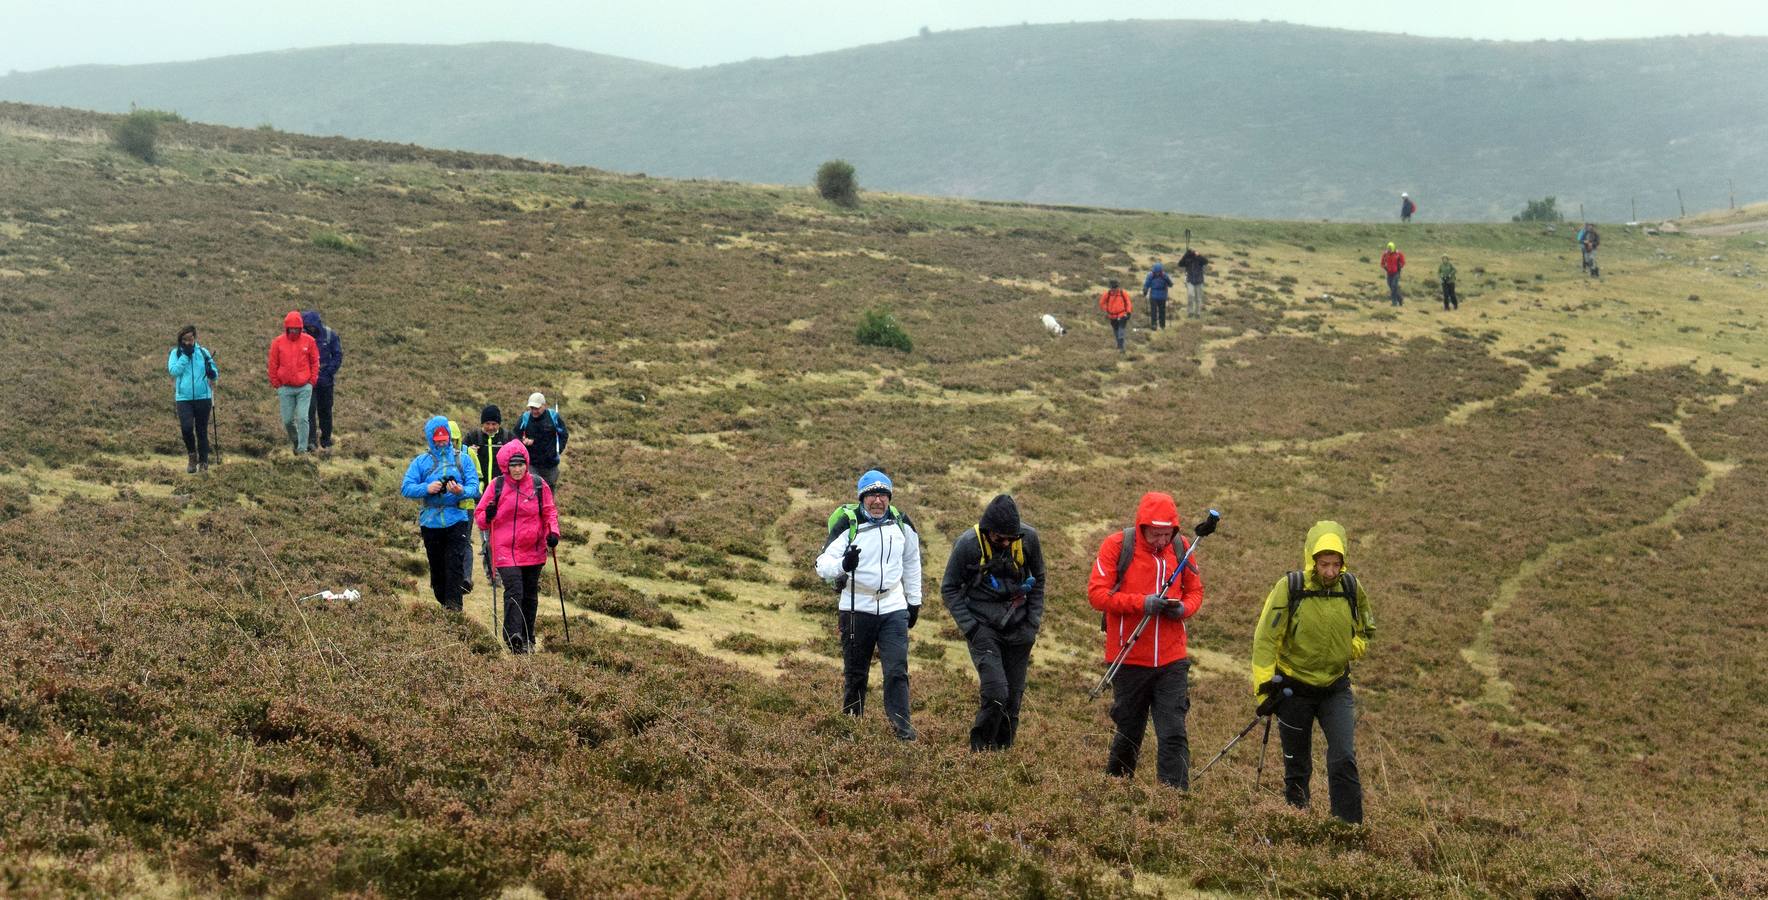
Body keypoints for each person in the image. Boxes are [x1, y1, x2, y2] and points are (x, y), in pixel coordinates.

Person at [1249, 520, 1375, 824]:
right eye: (1323, 564)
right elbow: (1266, 638)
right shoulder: (1291, 587)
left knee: (1344, 757)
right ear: (1312, 560)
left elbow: (1366, 630)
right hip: (1294, 690)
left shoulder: (1351, 588)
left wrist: (1351, 648)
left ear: (1343, 561)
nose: (1330, 571)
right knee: (1297, 766)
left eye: (1335, 564)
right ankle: (1297, 823)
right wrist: (1264, 687)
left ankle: (1348, 828)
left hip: (1335, 689)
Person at [1086, 492, 1205, 788]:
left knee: (1173, 732)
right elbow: (1097, 594)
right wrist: (1142, 603)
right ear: (1142, 527)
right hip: (1128, 659)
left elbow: (1195, 592)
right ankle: (1116, 791)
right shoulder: (1117, 546)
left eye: (1166, 534)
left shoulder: (1182, 548)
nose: (1161, 541)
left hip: (1172, 660)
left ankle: (1173, 800)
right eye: (1155, 534)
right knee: (1129, 731)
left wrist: (1183, 609)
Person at [815, 469, 924, 741]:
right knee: (856, 672)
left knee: (897, 670)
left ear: (889, 498)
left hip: (893, 606)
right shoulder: (847, 524)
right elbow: (821, 565)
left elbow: (912, 562)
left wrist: (914, 602)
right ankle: (850, 729)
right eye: (871, 495)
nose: (877, 501)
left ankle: (903, 732)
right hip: (856, 606)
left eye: (882, 495)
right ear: (862, 498)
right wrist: (843, 564)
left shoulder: (901, 523)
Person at [941, 494, 1046, 752]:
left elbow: (1040, 580)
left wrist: (1032, 624)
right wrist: (972, 628)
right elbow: (949, 588)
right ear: (988, 531)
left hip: (1020, 629)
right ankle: (980, 752)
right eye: (999, 538)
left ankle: (1002, 754)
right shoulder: (967, 544)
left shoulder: (1028, 539)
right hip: (983, 627)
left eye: (1011, 538)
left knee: (1013, 699)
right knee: (997, 693)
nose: (1006, 542)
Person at [476, 440, 560, 653]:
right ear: (505, 466)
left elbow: (549, 511)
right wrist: (489, 515)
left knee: (530, 595)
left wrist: (553, 533)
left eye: (521, 464)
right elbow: (481, 518)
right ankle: (513, 636)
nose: (517, 469)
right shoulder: (497, 486)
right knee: (514, 590)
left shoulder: (539, 485)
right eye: (513, 465)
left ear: (526, 463)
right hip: (505, 549)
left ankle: (527, 637)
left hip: (533, 549)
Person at [400, 415, 481, 612]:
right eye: (438, 440)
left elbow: (475, 487)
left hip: (457, 519)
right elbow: (406, 488)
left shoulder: (463, 459)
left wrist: (460, 491)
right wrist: (427, 488)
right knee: (437, 572)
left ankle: (454, 610)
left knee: (454, 566)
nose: (443, 442)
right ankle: (445, 603)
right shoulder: (421, 462)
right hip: (431, 523)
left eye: (445, 438)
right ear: (430, 439)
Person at [464, 404, 513, 588]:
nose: (491, 427)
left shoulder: (508, 438)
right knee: (486, 538)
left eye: (494, 423)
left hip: (505, 495)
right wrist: (470, 453)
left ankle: (503, 571)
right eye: (487, 423)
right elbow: (460, 457)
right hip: (482, 497)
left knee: (502, 537)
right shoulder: (472, 438)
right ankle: (492, 574)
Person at [167, 324, 219, 474]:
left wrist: (212, 373)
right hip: (184, 398)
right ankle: (192, 456)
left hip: (204, 397)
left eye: (190, 338)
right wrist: (185, 356)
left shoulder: (203, 352)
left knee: (201, 430)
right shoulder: (175, 353)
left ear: (195, 338)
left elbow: (214, 371)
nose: (188, 342)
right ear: (181, 340)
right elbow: (174, 371)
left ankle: (203, 462)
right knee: (186, 428)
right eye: (185, 339)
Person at [266, 310, 319, 455]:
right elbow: (272, 363)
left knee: (303, 418)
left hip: (304, 387)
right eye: (292, 328)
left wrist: (311, 381)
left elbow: (315, 362)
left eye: (297, 328)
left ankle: (302, 450)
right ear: (287, 328)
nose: (294, 330)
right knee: (288, 421)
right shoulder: (277, 342)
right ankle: (296, 441)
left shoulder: (310, 341)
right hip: (285, 388)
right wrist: (276, 382)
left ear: (301, 328)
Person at [300, 310, 343, 452]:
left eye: (312, 326)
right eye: (307, 326)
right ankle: (311, 442)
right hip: (308, 381)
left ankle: (326, 440)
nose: (310, 329)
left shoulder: (330, 335)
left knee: (325, 411)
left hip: (325, 381)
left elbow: (337, 355)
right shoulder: (301, 336)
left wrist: (329, 371)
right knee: (308, 411)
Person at [449, 420, 482, 596]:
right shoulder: (436, 456)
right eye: (449, 439)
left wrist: (476, 494)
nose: (452, 443)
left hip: (466, 506)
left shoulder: (468, 453)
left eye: (455, 440)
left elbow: (478, 478)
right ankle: (451, 576)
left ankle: (466, 579)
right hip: (446, 507)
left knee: (465, 540)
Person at [515, 392, 568, 489]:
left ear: (544, 406)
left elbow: (563, 434)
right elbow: (515, 436)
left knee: (548, 493)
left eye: (537, 408)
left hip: (550, 464)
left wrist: (558, 450)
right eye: (532, 408)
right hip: (531, 463)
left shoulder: (554, 417)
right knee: (533, 490)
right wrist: (523, 443)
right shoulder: (525, 418)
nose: (534, 411)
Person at [1097, 279, 1133, 353]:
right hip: (1112, 316)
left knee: (1121, 330)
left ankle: (1121, 347)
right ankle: (1119, 345)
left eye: (1115, 287)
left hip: (1122, 315)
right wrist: (1107, 309)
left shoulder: (1123, 293)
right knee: (1116, 331)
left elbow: (1128, 302)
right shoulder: (1107, 294)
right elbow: (1101, 303)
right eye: (1113, 287)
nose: (1114, 289)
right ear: (1110, 288)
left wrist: (1128, 312)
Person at [1177, 248, 1210, 318]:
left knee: (1198, 298)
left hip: (1199, 281)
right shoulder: (1188, 259)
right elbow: (1180, 264)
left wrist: (1199, 255)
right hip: (1190, 280)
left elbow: (1206, 262)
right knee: (1190, 295)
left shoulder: (1199, 259)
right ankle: (1190, 312)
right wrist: (1185, 255)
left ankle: (1198, 313)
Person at [1141, 262, 1173, 331]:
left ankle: (1161, 325)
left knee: (1161, 311)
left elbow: (1170, 284)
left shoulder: (1164, 276)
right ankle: (1155, 325)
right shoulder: (1151, 275)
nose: (1157, 273)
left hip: (1161, 296)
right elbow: (1147, 284)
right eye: (1156, 272)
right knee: (1154, 311)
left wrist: (1145, 290)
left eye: (1158, 272)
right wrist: (1145, 290)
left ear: (1160, 271)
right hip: (1154, 296)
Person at [1380, 242, 1405, 307]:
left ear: (1393, 247)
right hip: (1389, 273)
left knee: (1394, 286)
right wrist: (1384, 267)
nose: (1389, 249)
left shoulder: (1398, 254)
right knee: (1391, 286)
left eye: (1390, 248)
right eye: (1388, 248)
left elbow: (1403, 262)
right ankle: (1400, 299)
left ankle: (1394, 302)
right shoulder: (1385, 254)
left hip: (1396, 273)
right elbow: (1382, 262)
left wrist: (1400, 266)